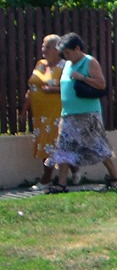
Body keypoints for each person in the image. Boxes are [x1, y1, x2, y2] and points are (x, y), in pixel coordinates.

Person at [49, 34, 117, 191]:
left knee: (97, 146)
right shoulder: (68, 64)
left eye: (67, 53)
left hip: (88, 113)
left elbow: (101, 85)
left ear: (77, 49)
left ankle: (115, 176)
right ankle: (61, 183)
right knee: (64, 147)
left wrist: (82, 77)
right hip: (68, 113)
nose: (65, 56)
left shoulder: (89, 62)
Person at [27, 34, 64, 186]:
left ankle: (46, 179)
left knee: (50, 144)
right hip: (39, 114)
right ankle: (75, 171)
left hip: (55, 112)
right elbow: (32, 86)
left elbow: (72, 87)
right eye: (43, 46)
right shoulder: (40, 64)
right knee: (46, 144)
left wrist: (54, 89)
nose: (44, 49)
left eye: (48, 46)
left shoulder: (64, 66)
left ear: (57, 49)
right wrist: (25, 107)